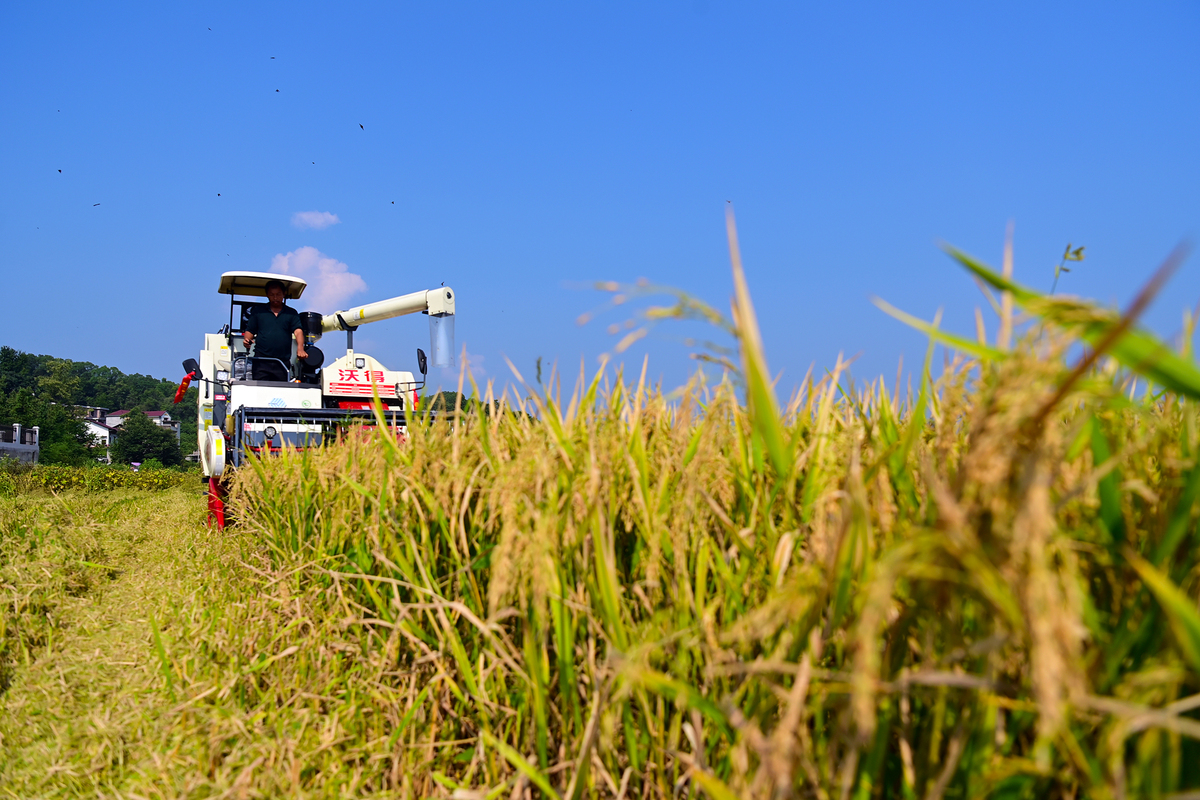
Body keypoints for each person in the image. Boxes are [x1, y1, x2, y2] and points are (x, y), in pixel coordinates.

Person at [242, 280, 308, 382]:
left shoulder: (291, 313)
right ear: (267, 295)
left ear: (284, 294)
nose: (275, 297)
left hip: (282, 362)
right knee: (260, 390)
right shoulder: (258, 312)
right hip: (261, 361)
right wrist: (247, 340)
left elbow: (298, 331)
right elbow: (250, 331)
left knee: (280, 390)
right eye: (272, 295)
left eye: (278, 294)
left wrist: (300, 348)